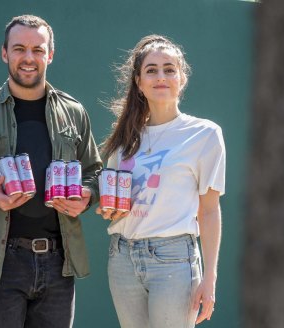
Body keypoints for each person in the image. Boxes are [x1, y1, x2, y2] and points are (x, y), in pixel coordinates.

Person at [0, 15, 102, 328]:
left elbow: (93, 171)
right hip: (0, 264)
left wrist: (88, 196)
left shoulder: (74, 111)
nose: (28, 58)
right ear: (5, 53)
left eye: (38, 50)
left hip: (58, 263)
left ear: (50, 55)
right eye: (19, 49)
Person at [97, 35, 225, 327]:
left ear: (182, 78)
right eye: (151, 70)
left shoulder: (204, 134)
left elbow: (209, 210)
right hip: (122, 258)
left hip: (174, 261)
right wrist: (110, 209)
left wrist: (210, 278)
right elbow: (115, 202)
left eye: (169, 69)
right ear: (139, 82)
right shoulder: (123, 139)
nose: (161, 76)